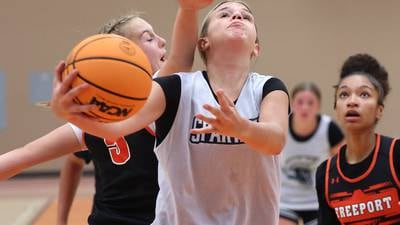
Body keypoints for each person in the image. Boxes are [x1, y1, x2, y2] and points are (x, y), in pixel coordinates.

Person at [51, 1, 290, 224]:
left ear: (256, 48)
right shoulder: (176, 88)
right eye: (224, 14)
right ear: (203, 42)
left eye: (246, 17)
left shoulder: (269, 88)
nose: (237, 15)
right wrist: (72, 114)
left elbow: (275, 140)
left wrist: (242, 128)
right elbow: (116, 128)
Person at [0, 1, 213, 225]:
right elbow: (181, 58)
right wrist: (188, 9)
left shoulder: (91, 117)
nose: (162, 41)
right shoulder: (140, 100)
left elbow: (23, 156)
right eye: (149, 38)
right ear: (122, 53)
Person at [315, 53, 400, 224]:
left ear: (379, 110)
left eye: (364, 94)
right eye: (344, 94)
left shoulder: (395, 155)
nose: (352, 101)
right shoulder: (325, 174)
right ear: (336, 109)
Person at [279, 82, 344, 225]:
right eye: (300, 102)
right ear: (292, 104)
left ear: (318, 106)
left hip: (317, 201)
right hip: (285, 201)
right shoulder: (280, 125)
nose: (305, 107)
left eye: (310, 103)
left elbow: (343, 166)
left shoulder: (329, 129)